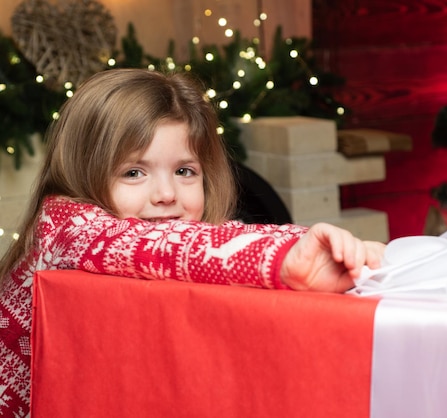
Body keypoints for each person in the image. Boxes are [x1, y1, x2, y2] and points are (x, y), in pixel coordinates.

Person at [0, 68, 386, 416]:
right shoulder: (65, 225)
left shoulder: (184, 240)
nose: (167, 193)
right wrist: (289, 254)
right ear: (83, 172)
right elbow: (155, 244)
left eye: (184, 170)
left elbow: (211, 239)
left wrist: (324, 248)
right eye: (134, 172)